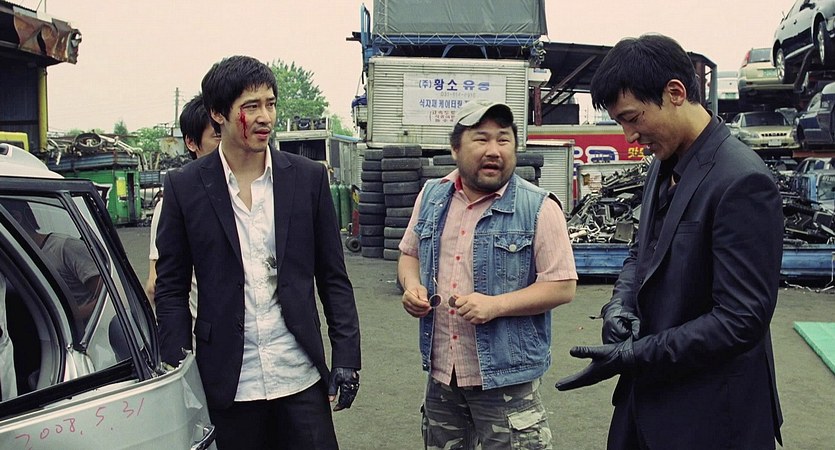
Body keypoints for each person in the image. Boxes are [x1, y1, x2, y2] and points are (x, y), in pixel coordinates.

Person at [555, 34, 784, 450]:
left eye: (632, 118)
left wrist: (636, 354)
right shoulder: (663, 162)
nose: (629, 136)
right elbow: (641, 251)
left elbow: (740, 320)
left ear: (675, 93)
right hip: (645, 404)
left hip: (711, 417)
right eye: (620, 123)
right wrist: (620, 306)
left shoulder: (742, 181)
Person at [154, 55, 361, 449]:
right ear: (218, 113)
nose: (265, 117)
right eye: (251, 106)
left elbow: (333, 277)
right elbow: (171, 289)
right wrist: (178, 370)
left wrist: (347, 357)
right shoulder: (185, 187)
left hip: (298, 374)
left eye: (271, 104)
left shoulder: (307, 178)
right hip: (229, 381)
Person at [398, 100, 577, 449]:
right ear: (455, 148)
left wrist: (496, 306)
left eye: (504, 139)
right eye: (481, 139)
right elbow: (409, 255)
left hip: (506, 380)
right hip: (443, 375)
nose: (494, 150)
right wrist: (412, 286)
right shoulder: (432, 196)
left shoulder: (539, 207)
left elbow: (562, 286)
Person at [145, 94, 220, 325]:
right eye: (217, 136)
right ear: (191, 142)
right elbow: (155, 284)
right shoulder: (174, 203)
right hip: (203, 338)